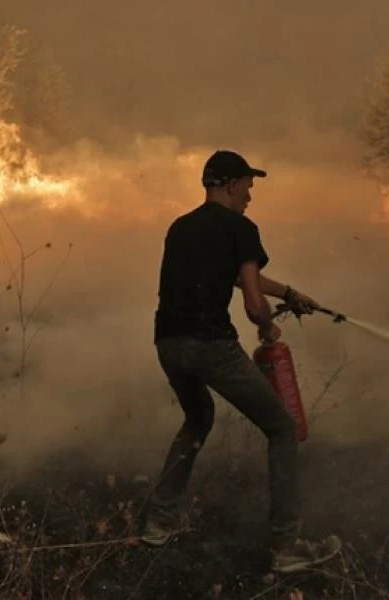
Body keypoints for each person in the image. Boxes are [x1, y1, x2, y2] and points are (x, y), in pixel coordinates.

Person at [141, 149, 342, 574]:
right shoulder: (241, 228)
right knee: (282, 428)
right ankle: (286, 546)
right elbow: (252, 302)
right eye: (248, 187)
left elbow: (231, 275)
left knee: (198, 419)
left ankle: (158, 522)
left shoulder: (180, 227)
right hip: (212, 347)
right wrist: (267, 327)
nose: (250, 196)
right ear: (231, 184)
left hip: (169, 345)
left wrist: (288, 293)